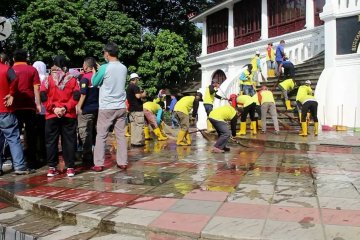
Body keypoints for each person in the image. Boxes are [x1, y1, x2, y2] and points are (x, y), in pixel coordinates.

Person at [91, 43, 128, 171]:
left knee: (101, 135)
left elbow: (94, 83)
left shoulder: (104, 68)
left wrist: (95, 71)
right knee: (120, 135)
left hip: (107, 106)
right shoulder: (124, 67)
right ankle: (122, 162)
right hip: (121, 106)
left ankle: (99, 164)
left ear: (107, 53)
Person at [40, 55, 80, 177]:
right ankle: (70, 168)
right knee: (69, 141)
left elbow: (43, 95)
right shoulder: (72, 79)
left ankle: (52, 168)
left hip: (52, 115)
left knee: (51, 141)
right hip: (68, 114)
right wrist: (65, 108)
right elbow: (76, 96)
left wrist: (53, 108)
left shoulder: (48, 79)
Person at [0, 53, 33, 175]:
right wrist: (11, 93)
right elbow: (15, 79)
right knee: (13, 138)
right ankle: (19, 166)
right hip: (5, 109)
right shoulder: (6, 69)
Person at [12, 49, 41, 169]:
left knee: (14, 136)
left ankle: (17, 162)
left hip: (14, 106)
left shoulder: (11, 70)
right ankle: (32, 162)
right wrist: (38, 104)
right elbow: (36, 88)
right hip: (29, 105)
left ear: (14, 58)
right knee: (31, 135)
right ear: (26, 58)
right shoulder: (32, 70)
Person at [76, 57, 99, 166]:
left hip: (86, 110)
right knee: (95, 133)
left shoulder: (85, 78)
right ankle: (97, 154)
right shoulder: (98, 78)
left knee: (84, 133)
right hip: (98, 109)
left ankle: (87, 156)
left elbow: (83, 93)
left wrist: (79, 107)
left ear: (86, 67)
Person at [32, 61, 48, 167]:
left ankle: (36, 155)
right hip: (45, 110)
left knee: (35, 134)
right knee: (44, 134)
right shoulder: (46, 77)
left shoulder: (33, 78)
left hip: (35, 109)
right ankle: (45, 154)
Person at [127, 73, 146, 147]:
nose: (138, 80)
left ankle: (133, 141)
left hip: (131, 109)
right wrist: (143, 94)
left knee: (133, 125)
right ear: (135, 79)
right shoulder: (135, 87)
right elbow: (138, 96)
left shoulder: (128, 87)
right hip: (137, 109)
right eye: (138, 79)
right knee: (139, 125)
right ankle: (137, 142)